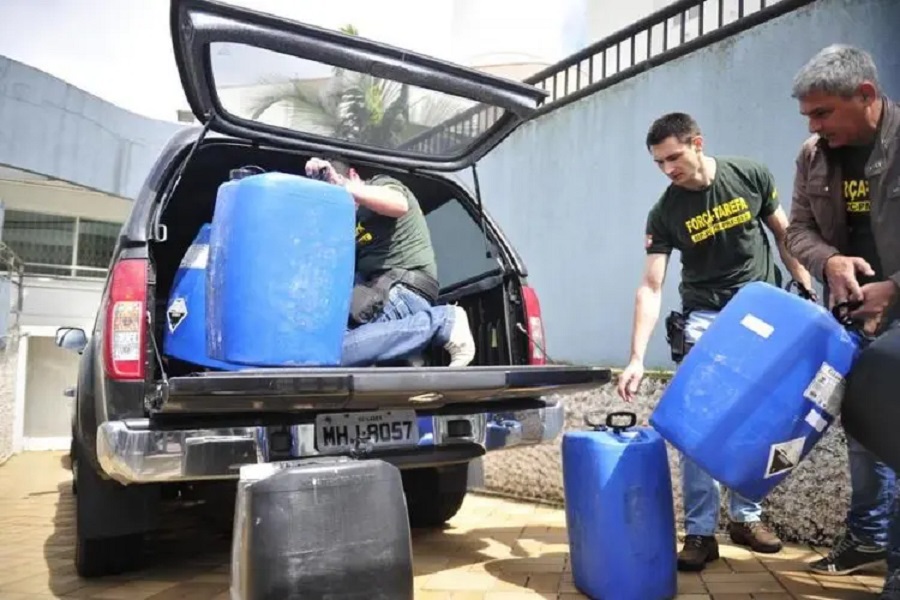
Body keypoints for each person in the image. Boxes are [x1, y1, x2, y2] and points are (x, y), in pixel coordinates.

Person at [617, 112, 814, 572]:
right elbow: (651, 285)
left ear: (697, 143)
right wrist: (635, 358)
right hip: (704, 317)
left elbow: (786, 238)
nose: (668, 169)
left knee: (758, 419)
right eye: (659, 162)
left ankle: (746, 517)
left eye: (673, 157)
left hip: (761, 311)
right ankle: (701, 533)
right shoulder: (665, 211)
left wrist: (806, 293)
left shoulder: (749, 174)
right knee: (699, 426)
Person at [785, 44, 900, 597]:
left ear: (867, 96)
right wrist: (829, 261)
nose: (813, 125)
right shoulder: (813, 156)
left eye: (823, 112)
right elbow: (797, 231)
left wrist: (894, 288)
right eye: (809, 115)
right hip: (854, 314)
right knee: (866, 428)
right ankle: (868, 539)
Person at [304, 156, 476, 368]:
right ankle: (407, 350)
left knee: (332, 353)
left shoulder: (381, 184)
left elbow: (398, 204)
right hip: (375, 290)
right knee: (321, 339)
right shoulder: (349, 221)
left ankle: (444, 322)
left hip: (404, 288)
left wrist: (343, 186)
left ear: (354, 176)